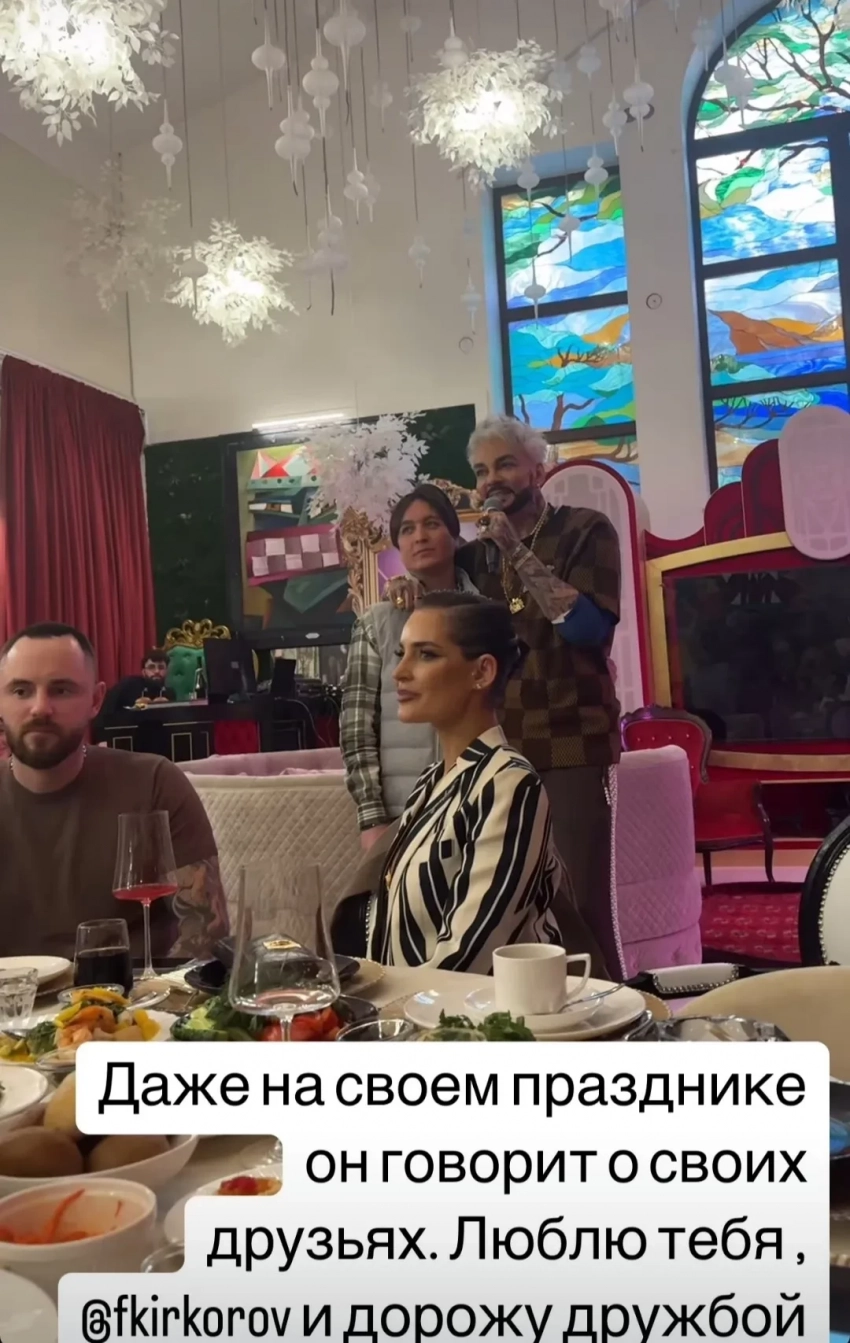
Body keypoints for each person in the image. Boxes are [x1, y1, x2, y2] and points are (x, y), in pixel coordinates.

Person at [458, 415, 622, 972]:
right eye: (481, 471)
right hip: (500, 751)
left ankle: (614, 1013)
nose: (492, 479)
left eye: (505, 464)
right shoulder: (475, 558)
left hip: (572, 741)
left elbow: (586, 630)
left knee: (578, 901)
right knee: (509, 907)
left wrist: (515, 549)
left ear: (538, 469)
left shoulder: (584, 529)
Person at [0, 623, 228, 961]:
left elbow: (205, 934)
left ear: (95, 700)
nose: (40, 708)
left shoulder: (153, 783)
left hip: (136, 991)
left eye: (61, 690)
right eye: (21, 691)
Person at [366, 592, 563, 972]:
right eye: (401, 654)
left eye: (426, 654)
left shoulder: (509, 785)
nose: (399, 672)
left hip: (476, 1009)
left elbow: (467, 959)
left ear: (482, 672)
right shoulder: (431, 781)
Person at [340, 483, 476, 852]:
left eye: (432, 524)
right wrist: (371, 817)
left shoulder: (485, 616)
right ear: (398, 545)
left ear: (454, 534)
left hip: (479, 803)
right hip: (405, 812)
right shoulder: (377, 624)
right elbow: (356, 729)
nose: (420, 537)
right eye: (408, 529)